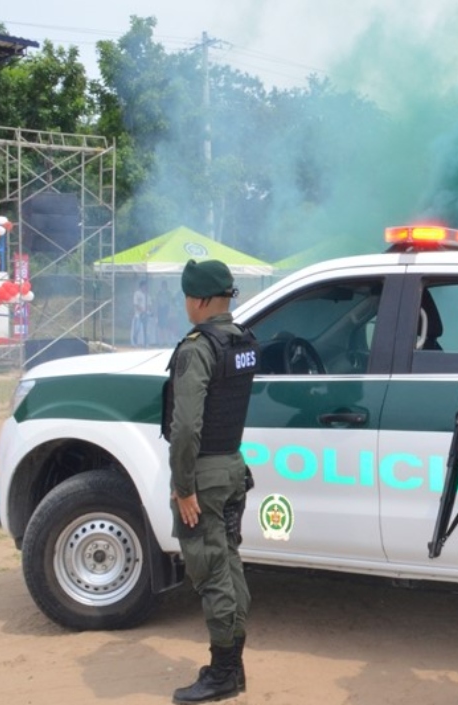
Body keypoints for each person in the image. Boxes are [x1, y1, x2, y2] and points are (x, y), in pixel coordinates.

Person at [163, 259, 259, 704]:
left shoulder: (199, 347)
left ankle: (222, 673)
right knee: (229, 565)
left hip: (203, 473)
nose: (185, 303)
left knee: (211, 572)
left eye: (187, 296)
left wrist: (184, 487)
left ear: (200, 300)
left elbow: (185, 427)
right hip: (232, 466)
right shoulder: (242, 342)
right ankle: (232, 665)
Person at [132, 279, 151, 347]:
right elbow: (135, 304)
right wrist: (141, 310)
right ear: (141, 286)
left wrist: (147, 310)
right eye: (144, 286)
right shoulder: (137, 293)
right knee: (137, 328)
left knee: (146, 329)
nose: (146, 287)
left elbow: (149, 304)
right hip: (138, 314)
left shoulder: (147, 295)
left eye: (146, 286)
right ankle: (135, 342)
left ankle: (146, 343)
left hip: (146, 314)